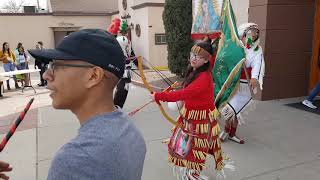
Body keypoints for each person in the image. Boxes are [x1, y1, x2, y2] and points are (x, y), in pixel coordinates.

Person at [29, 29, 146, 180]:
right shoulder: (131, 131)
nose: (46, 75)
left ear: (93, 76)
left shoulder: (73, 161)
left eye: (57, 66)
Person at [150, 38, 226, 179]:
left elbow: (185, 94)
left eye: (198, 56)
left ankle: (194, 174)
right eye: (192, 55)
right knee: (184, 145)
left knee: (196, 148)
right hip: (190, 116)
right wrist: (174, 88)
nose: (193, 58)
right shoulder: (194, 71)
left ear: (206, 60)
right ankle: (190, 172)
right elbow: (186, 89)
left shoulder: (204, 78)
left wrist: (159, 96)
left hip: (200, 120)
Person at [219, 23, 265, 144]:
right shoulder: (237, 47)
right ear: (243, 35)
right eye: (250, 34)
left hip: (244, 86)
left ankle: (231, 133)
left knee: (236, 110)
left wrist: (255, 77)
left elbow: (257, 63)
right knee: (229, 109)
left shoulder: (257, 49)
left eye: (255, 34)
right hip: (233, 83)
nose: (253, 36)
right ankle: (226, 130)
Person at [113, 34, 135, 108]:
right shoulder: (116, 52)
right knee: (120, 90)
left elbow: (132, 56)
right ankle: (116, 107)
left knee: (126, 89)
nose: (127, 45)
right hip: (121, 73)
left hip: (128, 73)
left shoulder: (127, 48)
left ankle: (119, 107)